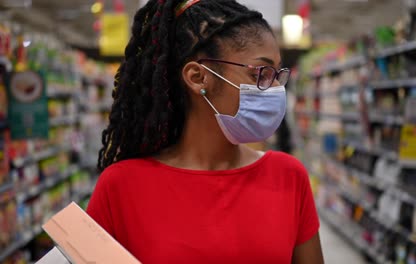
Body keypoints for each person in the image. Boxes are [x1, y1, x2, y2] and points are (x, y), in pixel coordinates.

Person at [86, 0, 324, 263]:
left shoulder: (289, 176)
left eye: (277, 74)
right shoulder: (120, 186)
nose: (276, 88)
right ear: (198, 77)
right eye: (261, 72)